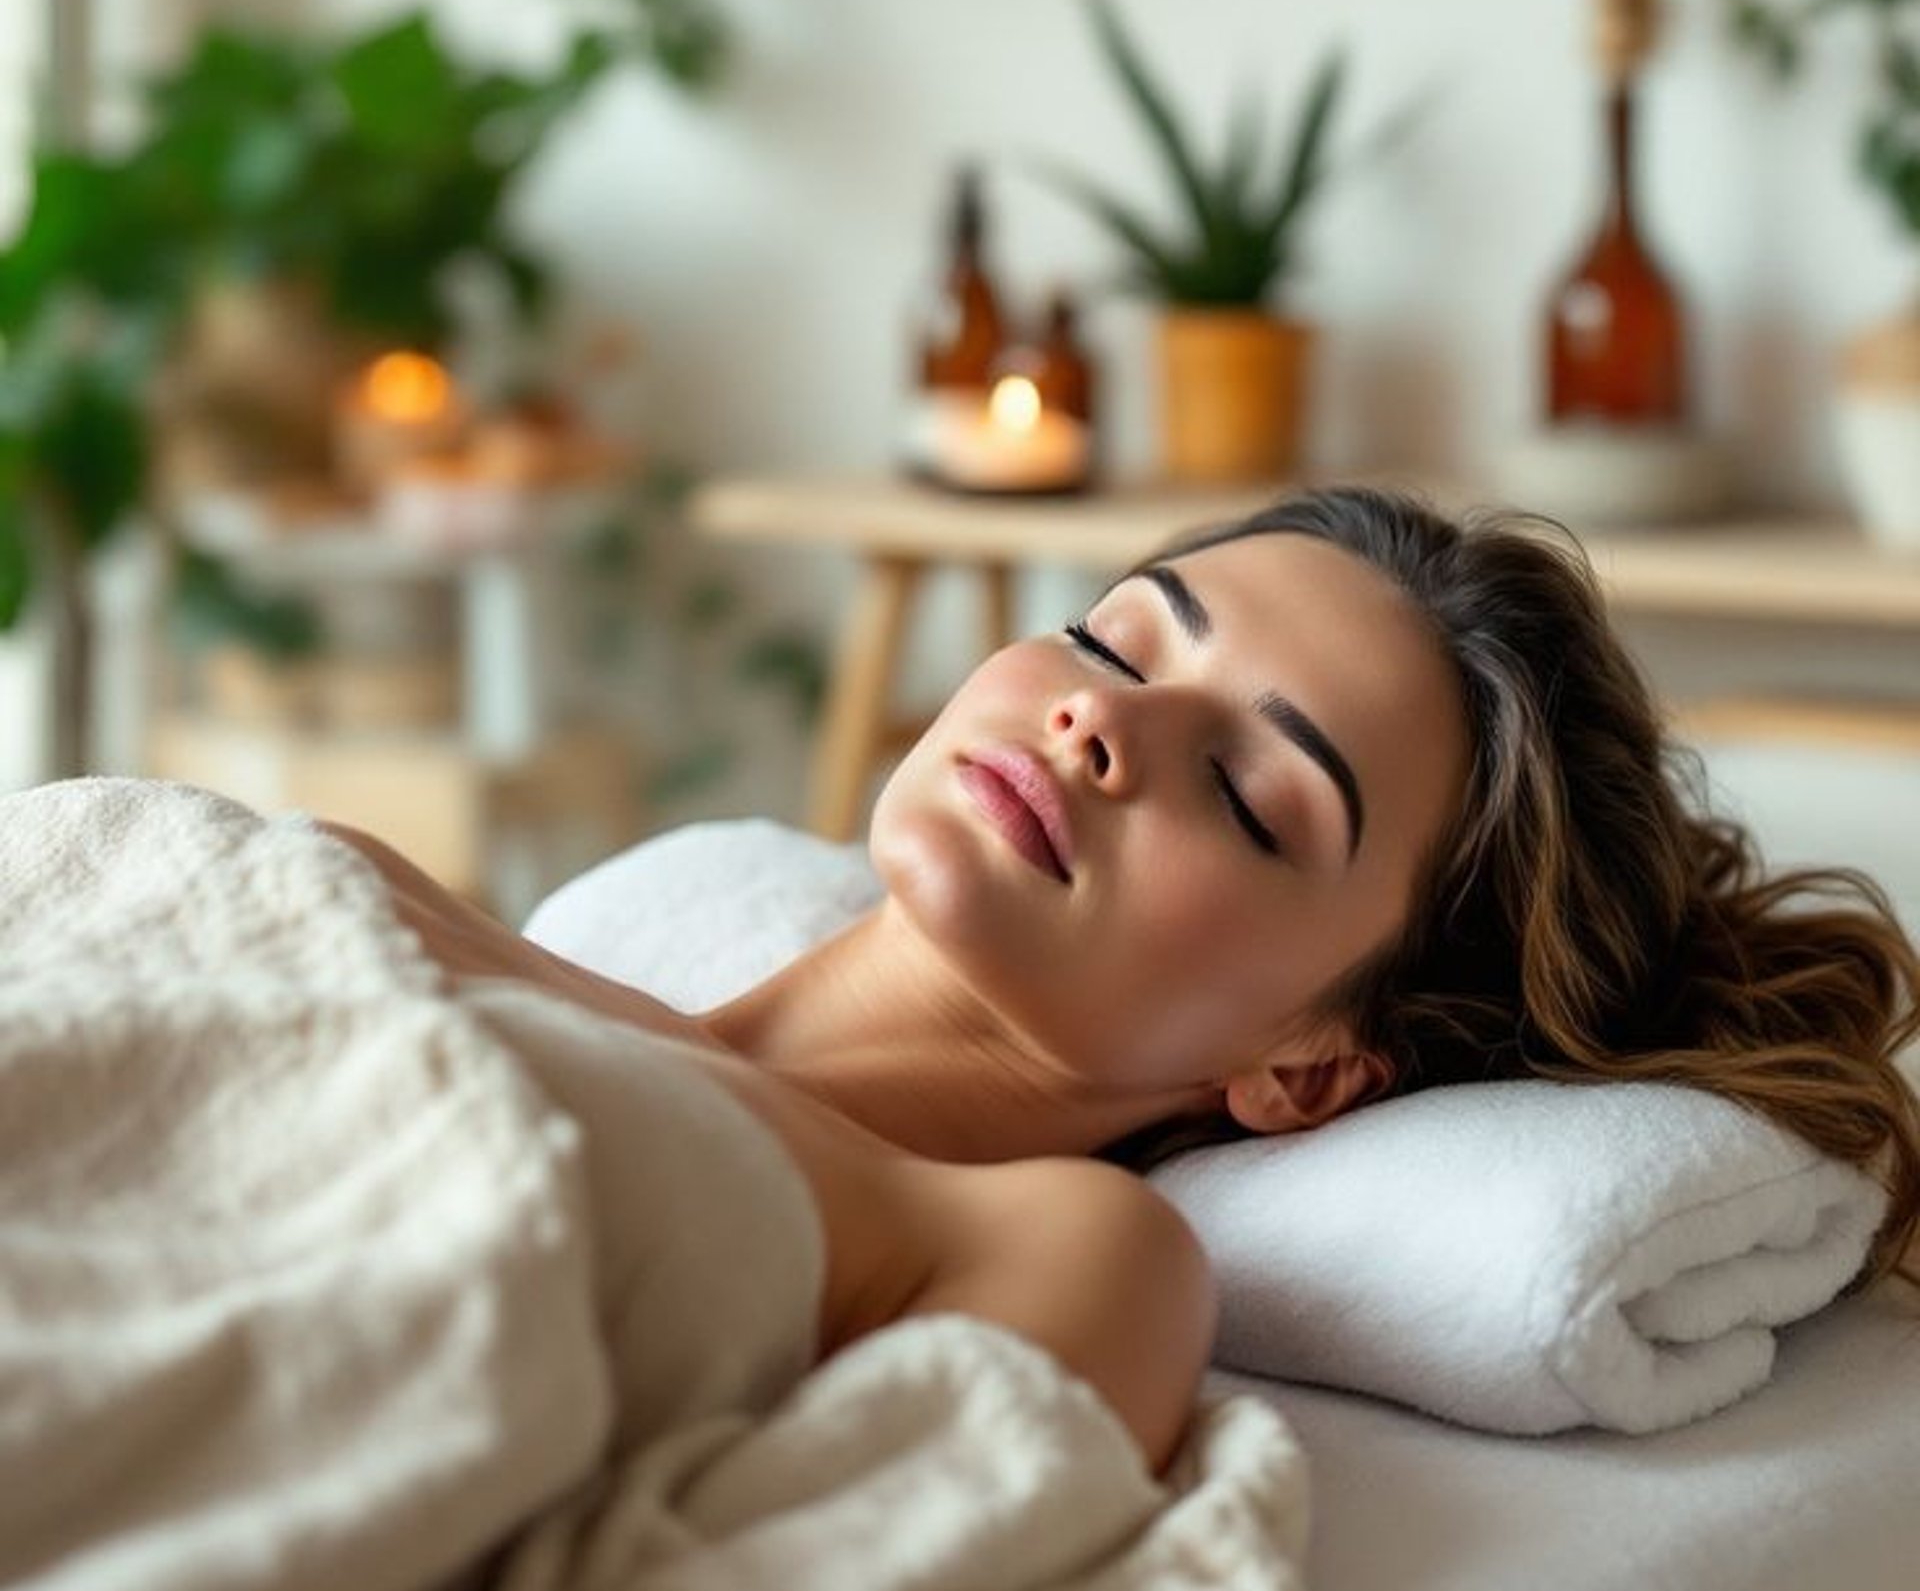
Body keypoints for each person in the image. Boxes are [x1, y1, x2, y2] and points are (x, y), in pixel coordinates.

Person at [340, 483, 1920, 1475]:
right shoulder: (396, 908)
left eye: (1251, 798)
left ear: (1308, 1069)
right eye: (1114, 644)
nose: (1104, 725)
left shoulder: (1081, 1258)